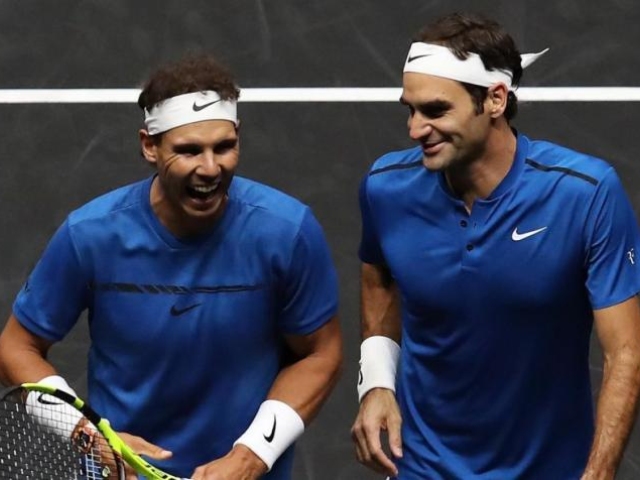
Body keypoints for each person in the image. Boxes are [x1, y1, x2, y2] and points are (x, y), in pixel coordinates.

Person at [0, 53, 343, 480]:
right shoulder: (90, 236)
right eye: (189, 151)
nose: (210, 168)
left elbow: (320, 353)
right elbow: (17, 347)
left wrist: (252, 455)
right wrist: (89, 436)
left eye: (224, 147)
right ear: (149, 146)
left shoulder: (287, 232)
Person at [351, 12, 640, 480]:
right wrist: (377, 382)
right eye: (410, 110)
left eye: (435, 111)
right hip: (422, 464)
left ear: (495, 99)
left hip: (549, 469)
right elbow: (378, 278)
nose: (415, 129)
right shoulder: (386, 187)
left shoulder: (585, 194)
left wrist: (599, 473)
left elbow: (625, 352)